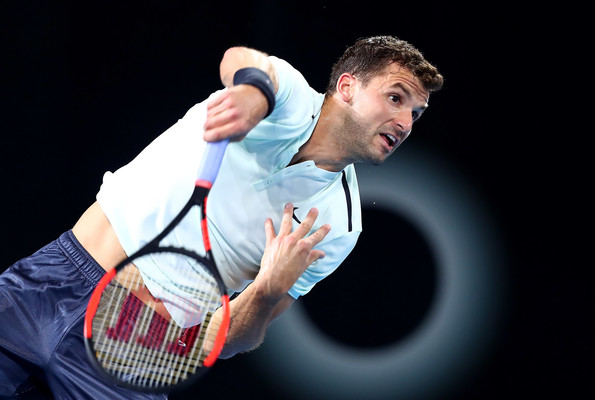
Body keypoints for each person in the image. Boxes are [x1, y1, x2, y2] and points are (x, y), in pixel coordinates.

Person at [0, 35, 443, 399]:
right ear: (346, 88)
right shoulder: (285, 95)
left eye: (415, 113)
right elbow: (243, 61)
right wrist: (251, 95)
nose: (404, 121)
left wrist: (267, 292)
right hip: (51, 280)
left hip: (131, 350)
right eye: (395, 97)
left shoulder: (340, 226)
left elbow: (229, 340)